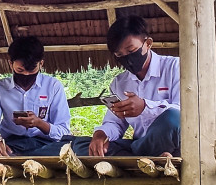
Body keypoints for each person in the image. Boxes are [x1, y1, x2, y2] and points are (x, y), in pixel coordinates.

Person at [73, 15, 180, 157]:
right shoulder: (119, 83)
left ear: (148, 43)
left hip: (170, 141)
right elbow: (115, 123)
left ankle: (136, 156)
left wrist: (145, 107)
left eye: (131, 51)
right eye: (119, 55)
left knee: (173, 117)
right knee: (81, 146)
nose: (127, 58)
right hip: (138, 144)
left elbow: (184, 115)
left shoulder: (175, 67)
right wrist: (101, 135)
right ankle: (144, 156)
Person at [0, 36, 71, 156]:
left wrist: (39, 123)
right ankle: (17, 158)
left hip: (46, 146)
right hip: (11, 145)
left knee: (72, 149)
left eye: (32, 70)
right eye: (20, 70)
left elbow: (63, 131)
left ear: (41, 64)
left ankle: (16, 160)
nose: (26, 74)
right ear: (11, 64)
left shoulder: (53, 86)